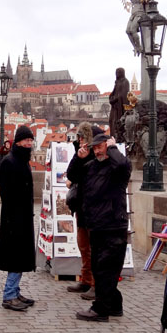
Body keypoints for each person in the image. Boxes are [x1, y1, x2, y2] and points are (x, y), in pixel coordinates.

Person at [67, 133, 132, 322]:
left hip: (113, 224)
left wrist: (113, 148)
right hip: (96, 225)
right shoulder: (92, 166)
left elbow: (121, 164)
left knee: (107, 269)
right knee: (100, 267)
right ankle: (114, 304)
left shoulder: (118, 166)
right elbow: (73, 176)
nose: (97, 151)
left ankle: (101, 309)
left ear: (108, 146)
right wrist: (78, 158)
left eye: (100, 147)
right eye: (94, 148)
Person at [0, 126, 36, 311]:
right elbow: (6, 193)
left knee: (20, 256)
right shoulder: (10, 162)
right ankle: (9, 295)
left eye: (31, 140)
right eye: (26, 140)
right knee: (15, 257)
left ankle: (15, 291)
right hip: (14, 219)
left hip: (23, 216)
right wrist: (16, 215)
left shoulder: (22, 160)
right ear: (18, 141)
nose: (29, 143)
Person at [65, 122, 101, 296]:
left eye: (81, 137)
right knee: (83, 246)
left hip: (95, 208)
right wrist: (78, 158)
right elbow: (71, 174)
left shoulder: (98, 157)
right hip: (82, 206)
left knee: (94, 247)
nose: (78, 140)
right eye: (78, 137)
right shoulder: (79, 153)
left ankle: (95, 284)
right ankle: (86, 280)